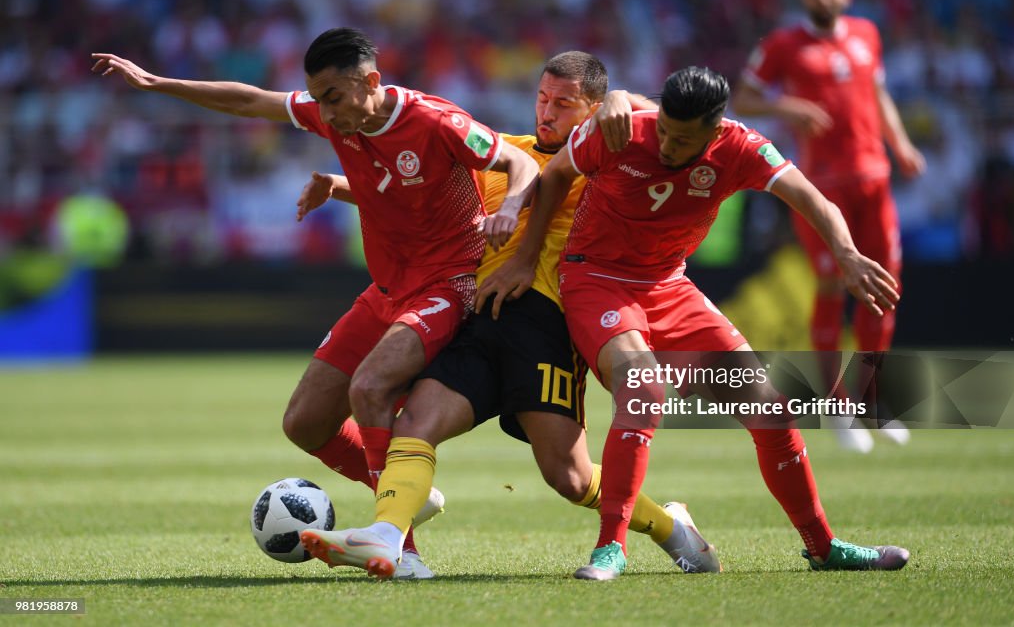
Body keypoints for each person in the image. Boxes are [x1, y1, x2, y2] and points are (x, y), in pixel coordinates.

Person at [91, 28, 539, 578]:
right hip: (387, 289)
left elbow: (524, 167)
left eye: (334, 97)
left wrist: (511, 209)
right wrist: (159, 83)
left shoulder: (436, 121)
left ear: (371, 81)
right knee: (304, 423)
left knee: (370, 387)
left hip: (451, 283)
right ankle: (399, 489)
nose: (325, 113)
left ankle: (400, 548)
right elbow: (249, 100)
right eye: (317, 98)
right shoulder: (331, 111)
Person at [295, 52, 721, 579]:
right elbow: (424, 197)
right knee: (415, 424)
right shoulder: (504, 154)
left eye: (564, 104)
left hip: (548, 329)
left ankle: (669, 525)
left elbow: (668, 119)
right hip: (481, 321)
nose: (547, 112)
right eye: (542, 98)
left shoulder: (608, 159)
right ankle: (390, 541)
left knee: (567, 477)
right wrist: (338, 186)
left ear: (593, 112)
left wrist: (621, 100)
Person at [486, 65, 911, 580]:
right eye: (663, 128)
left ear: (715, 130)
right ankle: (610, 548)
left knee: (771, 409)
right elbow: (554, 176)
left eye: (683, 139)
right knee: (643, 388)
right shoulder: (625, 131)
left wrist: (845, 253)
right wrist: (528, 257)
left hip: (669, 286)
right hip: (597, 280)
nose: (666, 145)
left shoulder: (741, 148)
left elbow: (812, 198)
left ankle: (823, 547)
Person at [733, 0, 926, 452]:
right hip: (823, 188)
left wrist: (899, 143)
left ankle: (872, 400)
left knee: (885, 287)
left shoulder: (866, 34)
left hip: (873, 180)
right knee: (831, 286)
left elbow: (877, 93)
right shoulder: (784, 46)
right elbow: (745, 99)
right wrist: (787, 105)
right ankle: (837, 407)